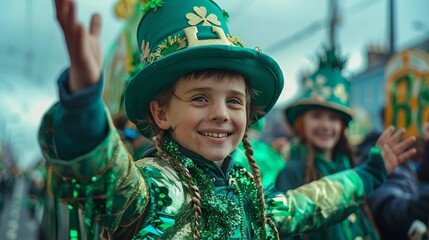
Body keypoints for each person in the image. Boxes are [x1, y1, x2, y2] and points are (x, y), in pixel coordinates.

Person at [39, 0, 416, 239]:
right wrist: (83, 101)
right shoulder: (151, 188)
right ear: (161, 112)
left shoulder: (247, 192)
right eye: (200, 98)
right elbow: (102, 176)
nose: (221, 113)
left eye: (234, 101)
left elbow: (309, 204)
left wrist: (369, 173)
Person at [275, 48, 382, 240]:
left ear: (342, 126)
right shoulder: (291, 172)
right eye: (316, 116)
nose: (326, 126)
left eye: (333, 118)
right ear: (302, 122)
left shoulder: (352, 168)